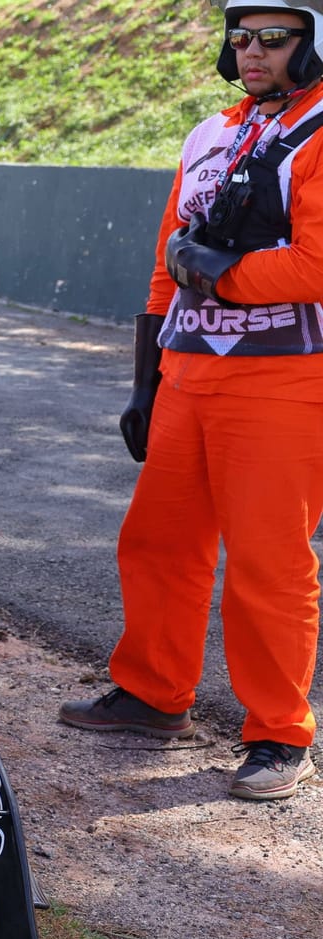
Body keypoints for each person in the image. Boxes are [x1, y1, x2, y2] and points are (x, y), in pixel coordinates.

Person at [61, 0, 323, 801]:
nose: (252, 52)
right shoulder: (209, 134)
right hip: (189, 372)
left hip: (285, 379)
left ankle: (280, 734)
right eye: (241, 38)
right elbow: (163, 262)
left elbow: (314, 264)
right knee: (158, 542)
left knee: (268, 564)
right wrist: (147, 376)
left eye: (274, 39)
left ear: (312, 44)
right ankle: (152, 693)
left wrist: (219, 273)